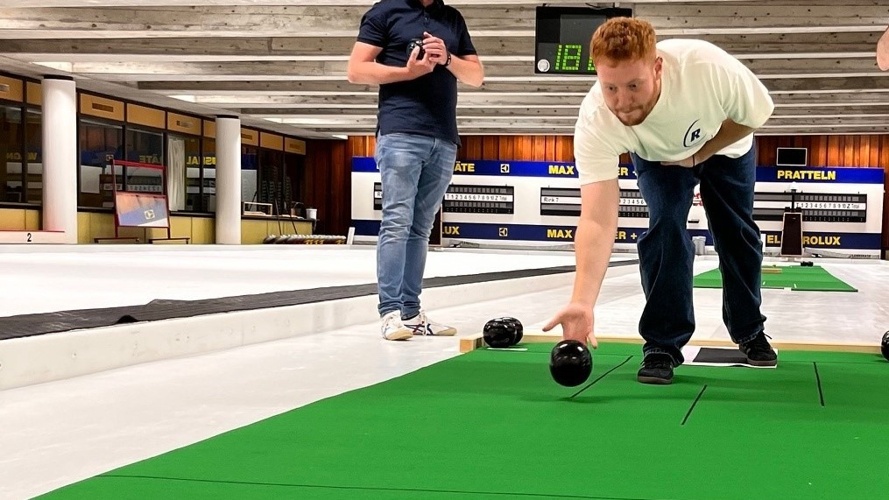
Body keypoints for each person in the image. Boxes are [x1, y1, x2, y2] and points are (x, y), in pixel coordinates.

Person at [543, 17, 778, 384]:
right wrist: (582, 300)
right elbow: (597, 219)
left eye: (634, 85)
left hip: (726, 145)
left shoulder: (705, 67)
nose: (622, 102)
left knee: (737, 234)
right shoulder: (596, 119)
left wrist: (701, 153)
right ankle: (662, 345)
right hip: (658, 157)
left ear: (657, 67)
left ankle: (749, 331)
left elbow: (759, 112)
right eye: (610, 88)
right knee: (665, 228)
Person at [346, 0, 484, 341]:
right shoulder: (386, 12)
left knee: (420, 229)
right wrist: (408, 73)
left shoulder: (451, 18)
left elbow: (477, 76)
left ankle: (412, 311)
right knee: (397, 221)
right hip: (401, 132)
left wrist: (447, 59)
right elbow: (356, 70)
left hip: (444, 137)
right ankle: (390, 312)